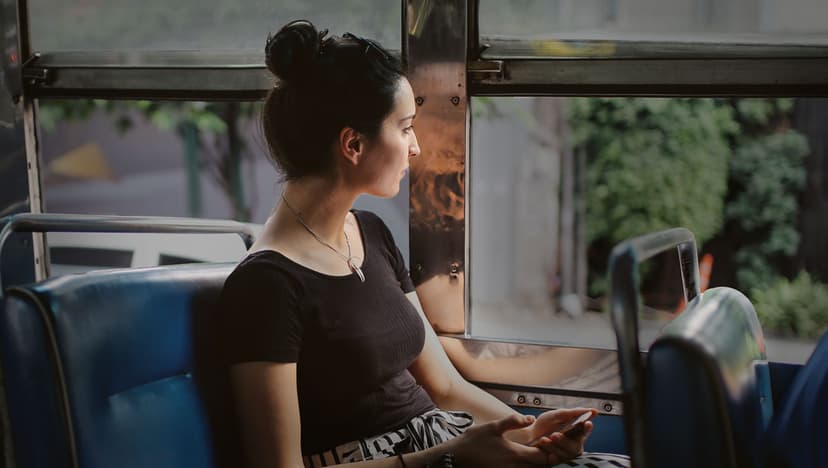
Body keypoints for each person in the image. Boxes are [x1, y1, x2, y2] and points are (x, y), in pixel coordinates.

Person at [215, 19, 630, 468]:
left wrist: (528, 435)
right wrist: (447, 455)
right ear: (353, 144)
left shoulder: (371, 233)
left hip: (446, 447)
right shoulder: (266, 287)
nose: (415, 147)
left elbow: (445, 387)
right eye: (406, 127)